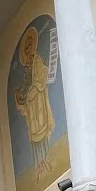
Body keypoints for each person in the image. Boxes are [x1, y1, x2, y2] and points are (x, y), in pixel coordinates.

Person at [14, 25, 57, 164]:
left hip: (38, 100)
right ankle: (40, 163)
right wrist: (20, 93)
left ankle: (46, 159)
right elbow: (26, 84)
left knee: (42, 129)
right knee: (34, 134)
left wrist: (34, 87)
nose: (27, 52)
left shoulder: (37, 60)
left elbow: (42, 74)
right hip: (31, 104)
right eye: (25, 50)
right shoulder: (27, 68)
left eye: (29, 48)